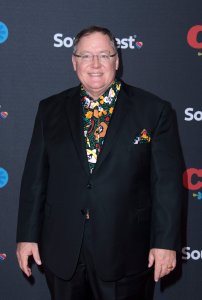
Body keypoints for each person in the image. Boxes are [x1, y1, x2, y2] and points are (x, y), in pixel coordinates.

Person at [16, 26, 184, 300]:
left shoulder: (153, 110)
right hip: (63, 250)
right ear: (74, 62)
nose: (95, 64)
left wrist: (165, 243)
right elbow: (35, 179)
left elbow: (166, 185)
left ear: (117, 61)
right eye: (86, 56)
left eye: (104, 55)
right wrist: (26, 236)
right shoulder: (49, 109)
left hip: (126, 251)